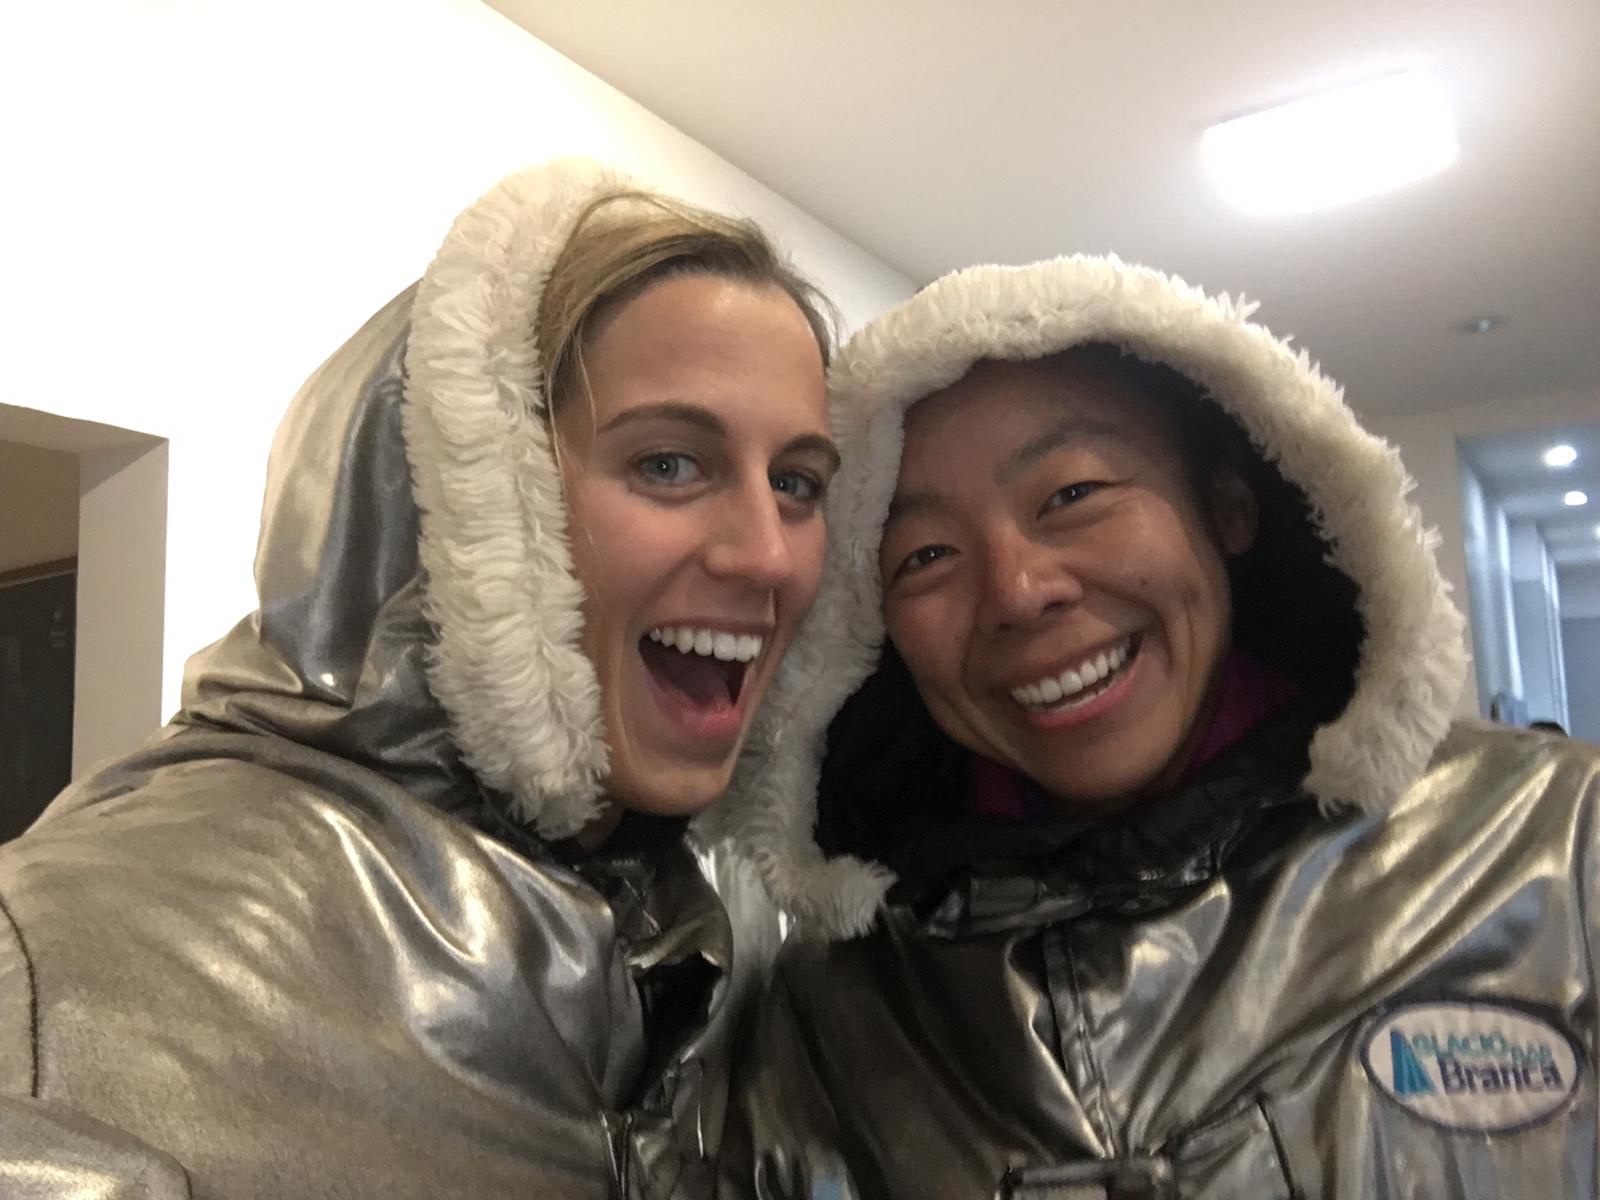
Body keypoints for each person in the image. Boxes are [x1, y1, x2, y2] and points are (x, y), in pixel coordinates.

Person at [0, 158, 841, 1199]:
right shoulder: (52, 981)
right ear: (470, 498)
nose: (767, 555)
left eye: (797, 482)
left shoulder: (714, 938)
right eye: (668, 464)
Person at [711, 255, 1600, 1198]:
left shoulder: (1552, 845)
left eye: (1073, 495)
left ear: (1229, 506)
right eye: (925, 554)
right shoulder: (829, 1020)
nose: (1016, 592)